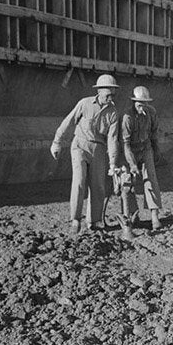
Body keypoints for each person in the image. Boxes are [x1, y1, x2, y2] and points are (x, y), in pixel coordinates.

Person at [50, 73, 121, 233]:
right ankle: (75, 220)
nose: (111, 98)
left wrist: (113, 163)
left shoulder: (113, 113)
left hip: (99, 149)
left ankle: (95, 221)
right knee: (79, 182)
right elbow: (68, 121)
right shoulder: (85, 103)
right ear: (100, 91)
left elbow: (112, 139)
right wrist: (57, 142)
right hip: (80, 146)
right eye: (108, 94)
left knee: (98, 186)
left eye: (113, 94)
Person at [121, 85, 163, 232]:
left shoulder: (151, 113)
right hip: (130, 150)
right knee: (128, 181)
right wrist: (132, 165)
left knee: (151, 179)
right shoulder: (127, 117)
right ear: (134, 102)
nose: (142, 107)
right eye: (139, 104)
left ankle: (154, 216)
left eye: (145, 104)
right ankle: (133, 215)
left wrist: (156, 150)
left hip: (146, 148)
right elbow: (125, 144)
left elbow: (154, 133)